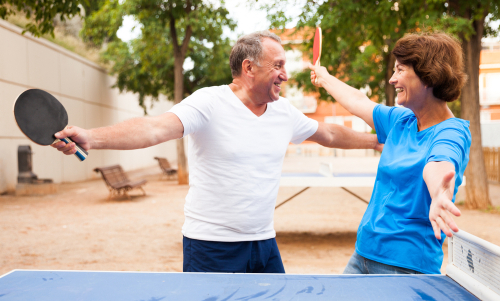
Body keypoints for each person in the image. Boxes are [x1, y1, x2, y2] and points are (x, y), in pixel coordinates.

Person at [52, 31, 381, 274]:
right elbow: (153, 128)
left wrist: (378, 141)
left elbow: (327, 133)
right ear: (249, 68)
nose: (285, 74)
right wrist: (91, 138)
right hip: (211, 248)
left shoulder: (284, 111)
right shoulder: (208, 103)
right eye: (277, 65)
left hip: (264, 243)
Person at [309, 32, 471, 274]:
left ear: (428, 76)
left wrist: (440, 192)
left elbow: (440, 163)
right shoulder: (401, 120)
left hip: (404, 264)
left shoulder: (452, 132)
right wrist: (324, 77)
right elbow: (357, 101)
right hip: (363, 253)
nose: (392, 79)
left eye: (400, 70)